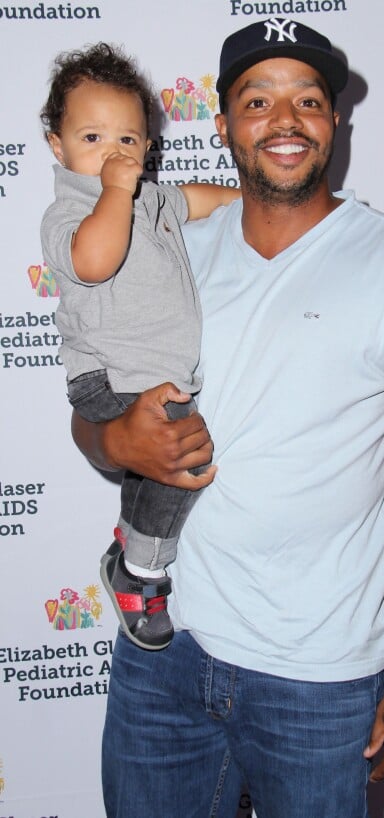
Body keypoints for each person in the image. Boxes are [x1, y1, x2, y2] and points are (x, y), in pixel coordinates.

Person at [73, 18, 384, 818]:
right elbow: (92, 414)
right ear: (222, 124)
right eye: (257, 101)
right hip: (163, 653)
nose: (285, 120)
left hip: (321, 678)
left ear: (335, 122)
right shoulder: (173, 251)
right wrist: (114, 439)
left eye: (309, 100)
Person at [40, 43, 239, 651]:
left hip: (155, 375)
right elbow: (95, 263)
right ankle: (140, 573)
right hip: (108, 376)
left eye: (129, 140)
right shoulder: (68, 212)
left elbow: (199, 200)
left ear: (148, 147)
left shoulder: (151, 198)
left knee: (163, 466)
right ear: (58, 146)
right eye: (93, 137)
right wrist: (112, 193)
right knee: (185, 461)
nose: (114, 153)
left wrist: (250, 202)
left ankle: (128, 546)